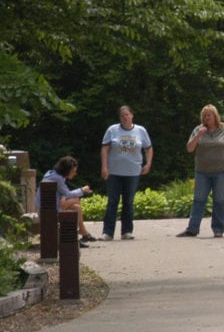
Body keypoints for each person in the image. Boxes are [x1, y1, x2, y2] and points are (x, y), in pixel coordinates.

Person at [178, 104, 224, 238]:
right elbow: (189, 148)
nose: (206, 117)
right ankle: (192, 229)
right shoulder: (198, 130)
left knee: (220, 200)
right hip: (202, 172)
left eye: (209, 115)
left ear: (215, 116)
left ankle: (218, 229)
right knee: (199, 200)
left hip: (222, 171)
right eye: (204, 115)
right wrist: (198, 135)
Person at [100, 105, 152, 240]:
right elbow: (105, 149)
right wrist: (104, 167)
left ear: (132, 115)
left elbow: (148, 148)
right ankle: (108, 232)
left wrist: (148, 163)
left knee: (128, 202)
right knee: (113, 201)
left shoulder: (141, 130)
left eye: (127, 114)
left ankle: (127, 231)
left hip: (133, 172)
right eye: (122, 115)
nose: (125, 117)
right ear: (120, 117)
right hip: (114, 172)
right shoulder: (112, 130)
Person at [36, 155, 97, 245]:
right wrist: (82, 190)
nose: (75, 173)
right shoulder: (58, 179)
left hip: (48, 208)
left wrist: (66, 197)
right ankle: (81, 232)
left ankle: (78, 234)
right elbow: (67, 194)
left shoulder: (52, 174)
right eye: (73, 171)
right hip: (48, 211)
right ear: (67, 170)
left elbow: (64, 194)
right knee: (76, 200)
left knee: (76, 207)